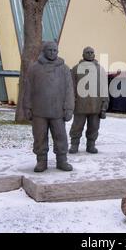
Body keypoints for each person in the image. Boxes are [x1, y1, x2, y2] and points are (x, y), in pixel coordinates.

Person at [24, 41, 74, 172]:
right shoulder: (34, 68)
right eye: (50, 50)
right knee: (39, 137)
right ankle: (41, 161)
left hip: (58, 111)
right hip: (39, 111)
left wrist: (69, 107)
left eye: (55, 50)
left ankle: (62, 160)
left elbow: (69, 89)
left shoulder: (64, 69)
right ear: (44, 51)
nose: (52, 53)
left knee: (60, 136)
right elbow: (28, 88)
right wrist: (27, 107)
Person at [69, 47, 109, 154]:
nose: (90, 54)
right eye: (87, 52)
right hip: (80, 105)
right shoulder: (76, 69)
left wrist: (104, 104)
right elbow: (71, 87)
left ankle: (91, 145)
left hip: (96, 105)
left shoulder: (100, 69)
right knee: (77, 127)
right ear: (83, 55)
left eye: (92, 52)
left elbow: (104, 88)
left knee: (94, 127)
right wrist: (71, 102)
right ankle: (74, 145)